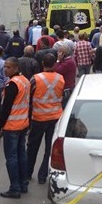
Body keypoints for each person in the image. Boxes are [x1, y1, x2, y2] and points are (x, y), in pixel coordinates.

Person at [26, 53, 64, 184]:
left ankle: (27, 172)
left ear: (42, 63)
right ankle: (43, 175)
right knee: (49, 149)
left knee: (32, 147)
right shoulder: (60, 79)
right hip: (55, 117)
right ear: (54, 64)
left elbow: (28, 96)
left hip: (38, 118)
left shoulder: (35, 79)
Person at [0, 57, 31, 199]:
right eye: (5, 66)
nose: (5, 69)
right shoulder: (25, 81)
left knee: (11, 158)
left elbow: (6, 108)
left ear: (16, 68)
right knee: (21, 155)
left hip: (11, 126)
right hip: (23, 124)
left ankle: (15, 188)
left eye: (8, 67)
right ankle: (23, 184)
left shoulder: (12, 84)